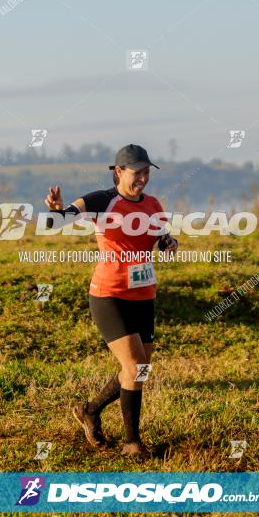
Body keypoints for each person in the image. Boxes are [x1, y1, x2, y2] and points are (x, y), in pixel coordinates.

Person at [45, 144, 177, 456]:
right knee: (133, 366)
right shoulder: (102, 200)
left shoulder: (153, 204)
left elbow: (161, 238)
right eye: (137, 172)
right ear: (119, 172)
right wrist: (56, 211)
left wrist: (169, 243)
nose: (143, 178)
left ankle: (90, 410)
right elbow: (61, 220)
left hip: (144, 295)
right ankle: (132, 443)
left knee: (140, 368)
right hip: (109, 295)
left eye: (146, 172)